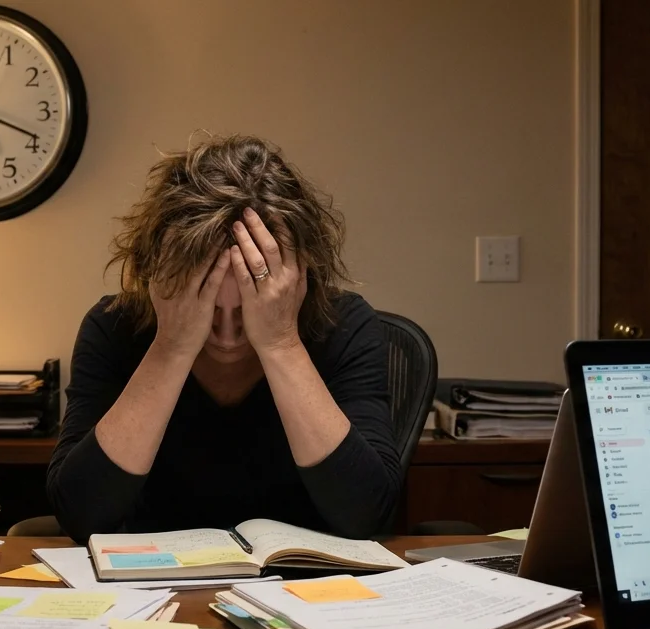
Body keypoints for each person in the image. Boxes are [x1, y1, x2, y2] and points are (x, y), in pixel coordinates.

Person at [47, 134, 401, 542]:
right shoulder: (114, 328)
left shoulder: (343, 325)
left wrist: (280, 342)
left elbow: (368, 517)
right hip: (154, 584)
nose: (230, 339)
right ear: (157, 282)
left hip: (306, 583)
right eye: (208, 311)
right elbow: (80, 517)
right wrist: (172, 346)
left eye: (249, 313)